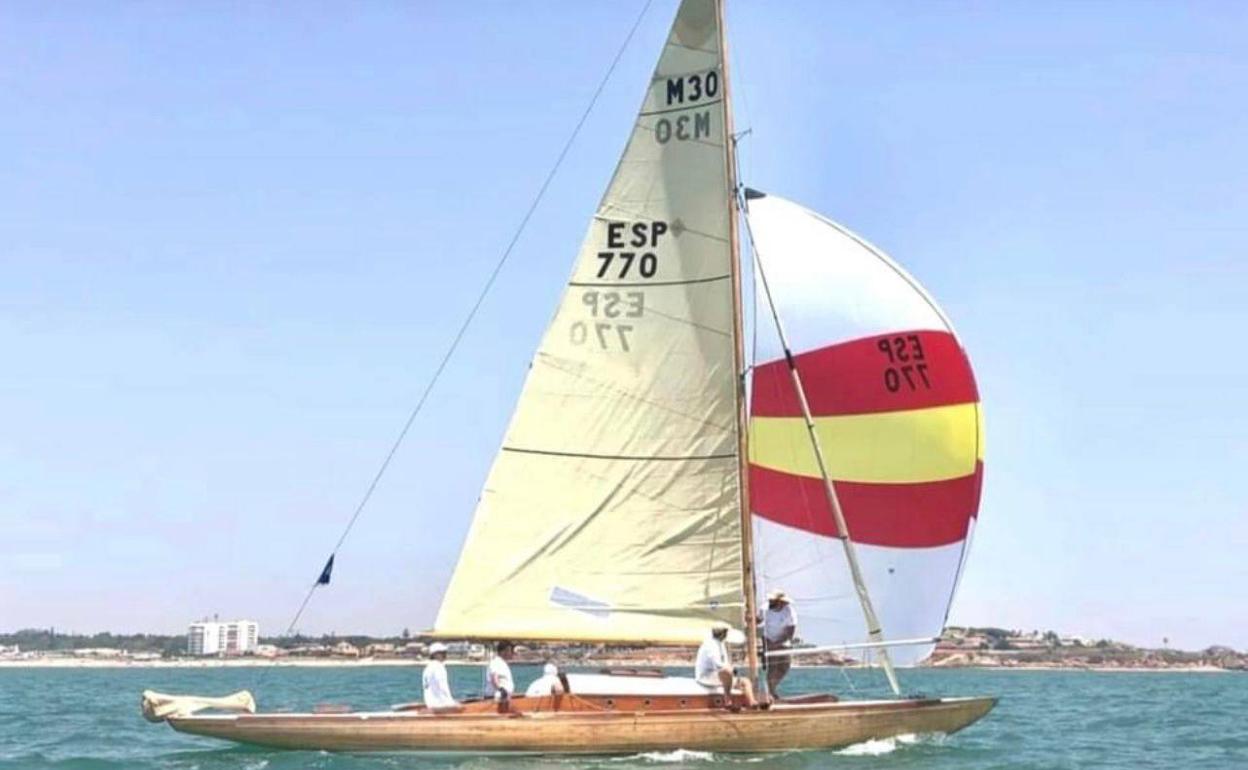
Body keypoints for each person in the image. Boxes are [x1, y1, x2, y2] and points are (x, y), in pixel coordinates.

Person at [695, 622, 758, 709]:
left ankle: (752, 703)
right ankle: (727, 700)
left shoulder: (721, 644)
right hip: (706, 677)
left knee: (745, 681)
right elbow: (718, 665)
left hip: (718, 676)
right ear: (722, 633)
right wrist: (731, 670)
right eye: (726, 632)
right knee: (726, 671)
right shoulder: (710, 644)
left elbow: (724, 663)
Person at [763, 589, 797, 698]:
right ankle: (770, 692)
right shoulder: (764, 609)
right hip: (769, 641)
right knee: (772, 668)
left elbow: (791, 630)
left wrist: (778, 643)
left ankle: (772, 689)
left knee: (784, 667)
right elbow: (757, 621)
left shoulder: (789, 611)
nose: (770, 602)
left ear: (780, 602)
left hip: (783, 642)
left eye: (773, 600)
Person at [421, 642, 461, 713]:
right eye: (442, 653)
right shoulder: (438, 666)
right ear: (435, 654)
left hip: (430, 704)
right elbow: (442, 687)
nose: (445, 655)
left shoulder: (427, 668)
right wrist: (451, 703)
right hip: (440, 706)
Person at [485, 640, 516, 712]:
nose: (512, 654)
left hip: (503, 699)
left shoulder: (502, 663)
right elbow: (494, 678)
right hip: (496, 700)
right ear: (505, 651)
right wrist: (501, 690)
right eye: (511, 651)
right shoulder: (496, 662)